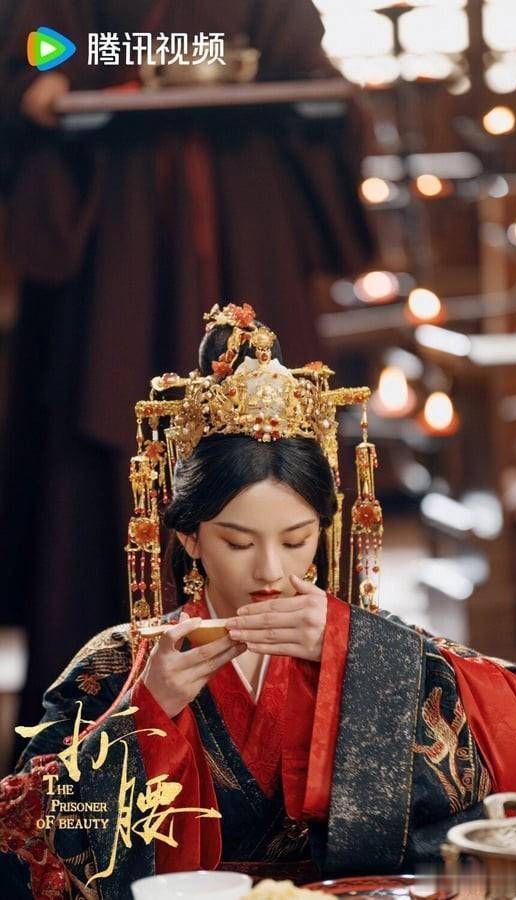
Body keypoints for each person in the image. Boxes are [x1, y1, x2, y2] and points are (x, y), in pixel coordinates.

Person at [0, 304, 516, 900]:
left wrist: (358, 652)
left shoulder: (368, 641)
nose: (270, 570)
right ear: (190, 537)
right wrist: (145, 711)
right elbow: (21, 832)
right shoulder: (120, 660)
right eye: (238, 542)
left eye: (296, 540)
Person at [0, 0, 374, 735]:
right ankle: (101, 731)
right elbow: (44, 48)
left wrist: (295, 88)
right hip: (118, 231)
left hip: (245, 204)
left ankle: (292, 727)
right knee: (108, 477)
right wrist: (47, 81)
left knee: (273, 451)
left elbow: (304, 64)